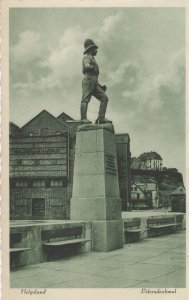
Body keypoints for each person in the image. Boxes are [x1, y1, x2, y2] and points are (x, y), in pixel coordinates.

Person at [80, 39, 112, 124]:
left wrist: (100, 86)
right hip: (88, 79)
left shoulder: (93, 59)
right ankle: (83, 118)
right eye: (94, 48)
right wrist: (89, 67)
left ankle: (101, 118)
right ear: (90, 49)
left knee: (104, 98)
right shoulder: (87, 58)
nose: (96, 50)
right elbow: (87, 66)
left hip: (94, 81)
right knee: (85, 99)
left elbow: (95, 77)